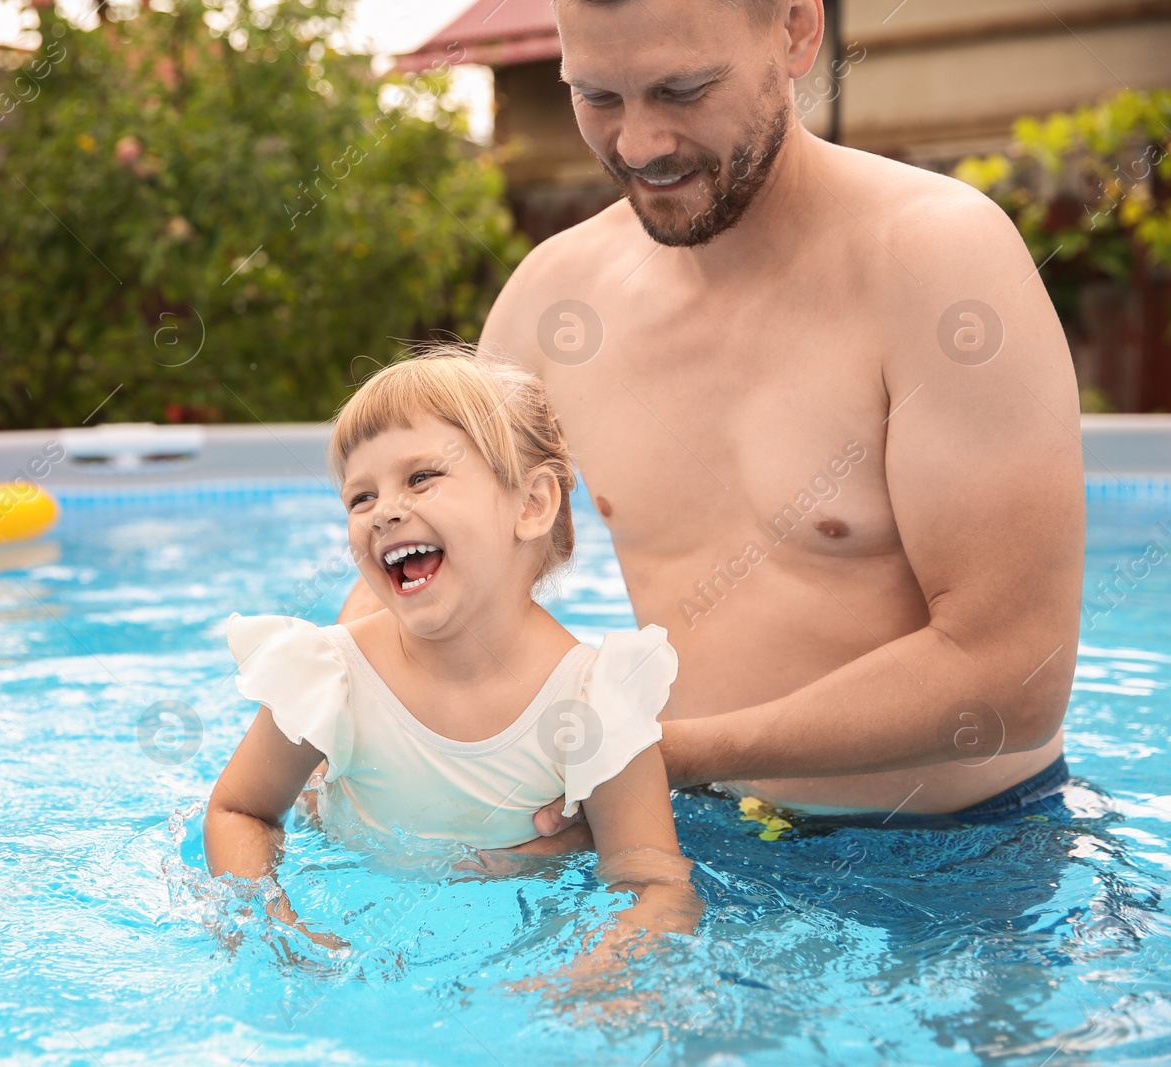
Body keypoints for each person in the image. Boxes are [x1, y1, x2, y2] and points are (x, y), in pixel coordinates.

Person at [336, 0, 1085, 842]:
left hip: (965, 857)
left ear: (798, 31)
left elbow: (1018, 673)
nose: (638, 145)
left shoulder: (939, 262)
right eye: (598, 97)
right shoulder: (558, 299)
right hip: (703, 830)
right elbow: (428, 556)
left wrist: (662, 753)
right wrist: (328, 721)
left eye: (683, 89)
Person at [204, 350, 700, 966]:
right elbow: (237, 810)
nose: (383, 510)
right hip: (347, 872)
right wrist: (276, 929)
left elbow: (653, 883)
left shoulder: (594, 699)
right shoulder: (333, 676)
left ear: (530, 505)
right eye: (359, 498)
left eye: (420, 479)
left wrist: (589, 982)